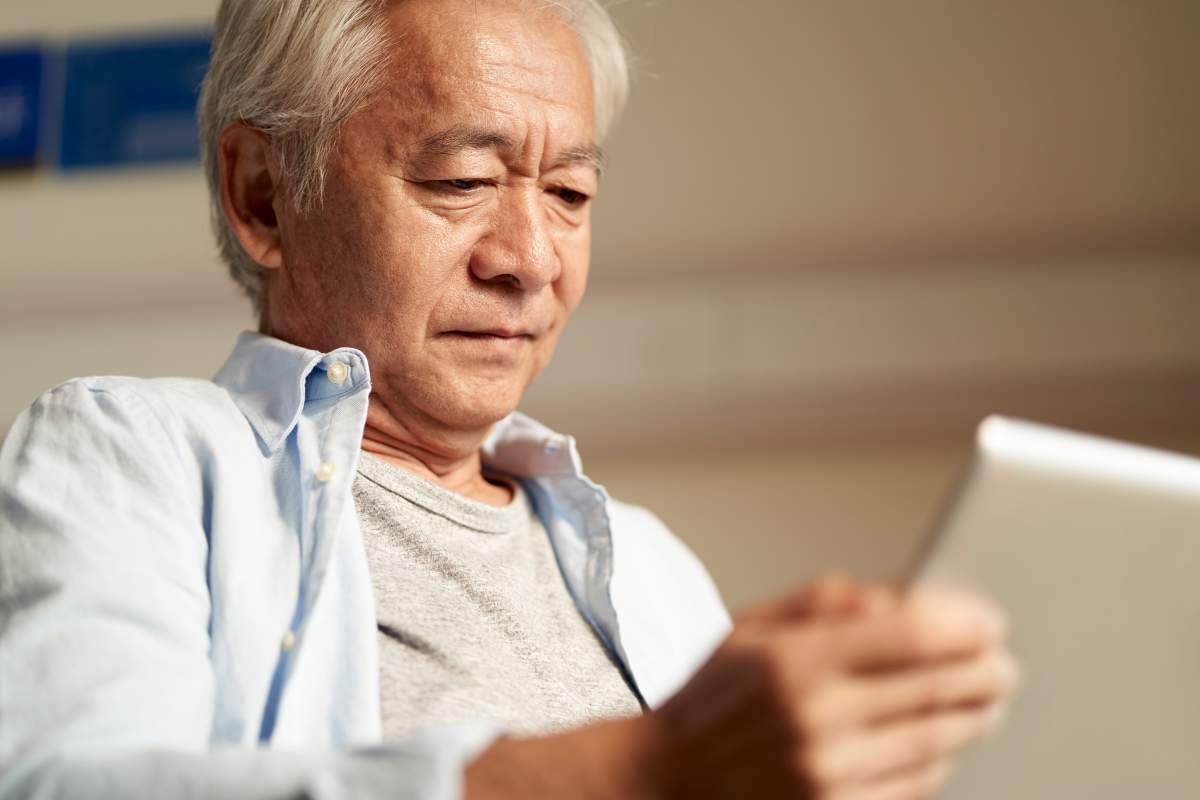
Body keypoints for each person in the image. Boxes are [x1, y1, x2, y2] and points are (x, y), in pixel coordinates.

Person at [0, 0, 1018, 798]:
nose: (530, 259)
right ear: (266, 193)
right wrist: (641, 772)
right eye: (460, 180)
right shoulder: (135, 456)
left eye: (571, 195)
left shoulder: (654, 565)